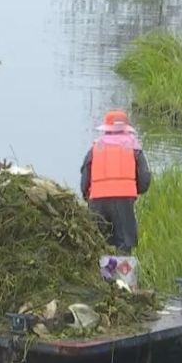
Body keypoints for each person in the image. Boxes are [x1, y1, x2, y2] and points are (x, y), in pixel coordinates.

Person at [79, 109, 151, 255]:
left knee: (96, 243)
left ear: (106, 129)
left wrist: (88, 198)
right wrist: (131, 189)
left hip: (97, 201)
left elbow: (84, 182)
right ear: (127, 129)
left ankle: (99, 275)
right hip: (124, 200)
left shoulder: (95, 149)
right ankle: (123, 275)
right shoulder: (134, 149)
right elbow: (144, 181)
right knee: (124, 243)